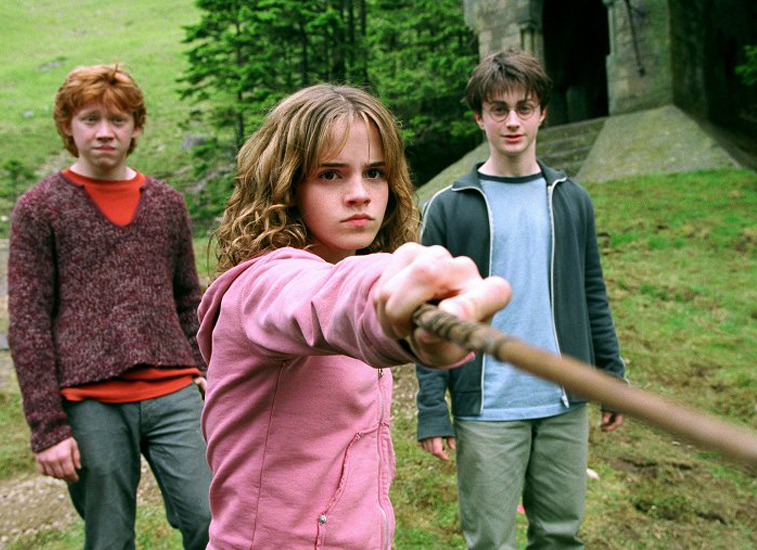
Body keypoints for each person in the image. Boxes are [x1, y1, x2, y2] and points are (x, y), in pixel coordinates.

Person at [198, 83, 511, 549]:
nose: (360, 194)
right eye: (330, 174)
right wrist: (388, 296)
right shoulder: (261, 286)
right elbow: (326, 300)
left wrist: (427, 321)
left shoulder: (339, 263)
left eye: (375, 173)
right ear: (286, 184)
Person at [414, 50, 628, 550]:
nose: (512, 121)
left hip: (563, 401)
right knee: (491, 542)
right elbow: (426, 317)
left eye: (524, 108)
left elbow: (592, 293)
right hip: (487, 407)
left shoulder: (571, 199)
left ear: (541, 113)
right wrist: (432, 407)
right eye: (499, 109)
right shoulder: (448, 206)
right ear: (479, 116)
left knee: (560, 537)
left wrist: (611, 376)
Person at [8, 64, 211, 550]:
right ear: (68, 126)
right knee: (109, 539)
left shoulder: (167, 204)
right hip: (89, 402)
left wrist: (206, 367)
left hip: (174, 392)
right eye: (90, 119)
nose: (105, 132)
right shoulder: (40, 208)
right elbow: (29, 322)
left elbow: (188, 297)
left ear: (136, 127)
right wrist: (48, 429)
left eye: (118, 120)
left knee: (212, 519)